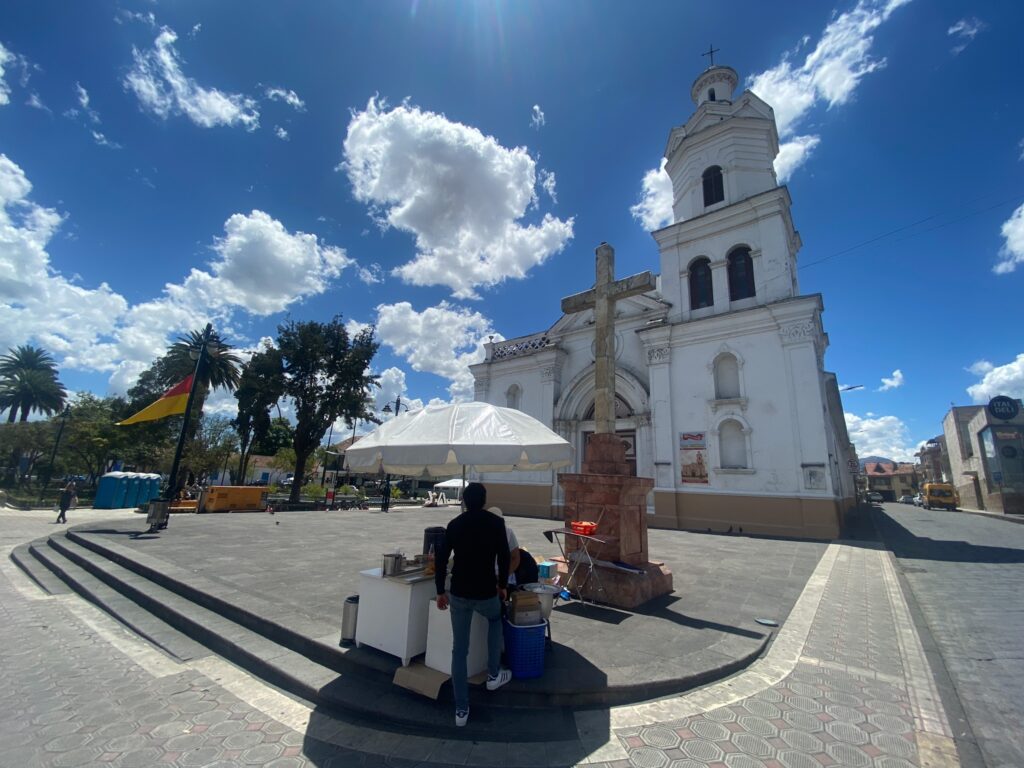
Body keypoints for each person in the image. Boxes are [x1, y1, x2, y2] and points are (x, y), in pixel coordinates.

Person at [434, 482, 512, 727]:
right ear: (485, 500)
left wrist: (439, 591)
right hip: (486, 591)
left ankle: (461, 709)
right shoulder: (496, 523)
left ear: (465, 501)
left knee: (459, 650)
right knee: (495, 618)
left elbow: (441, 558)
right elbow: (505, 555)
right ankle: (492, 674)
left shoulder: (455, 525)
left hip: (459, 593)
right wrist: (502, 585)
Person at [488, 507, 539, 588]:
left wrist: (503, 576)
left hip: (504, 575)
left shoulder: (508, 532)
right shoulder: (480, 533)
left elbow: (515, 558)